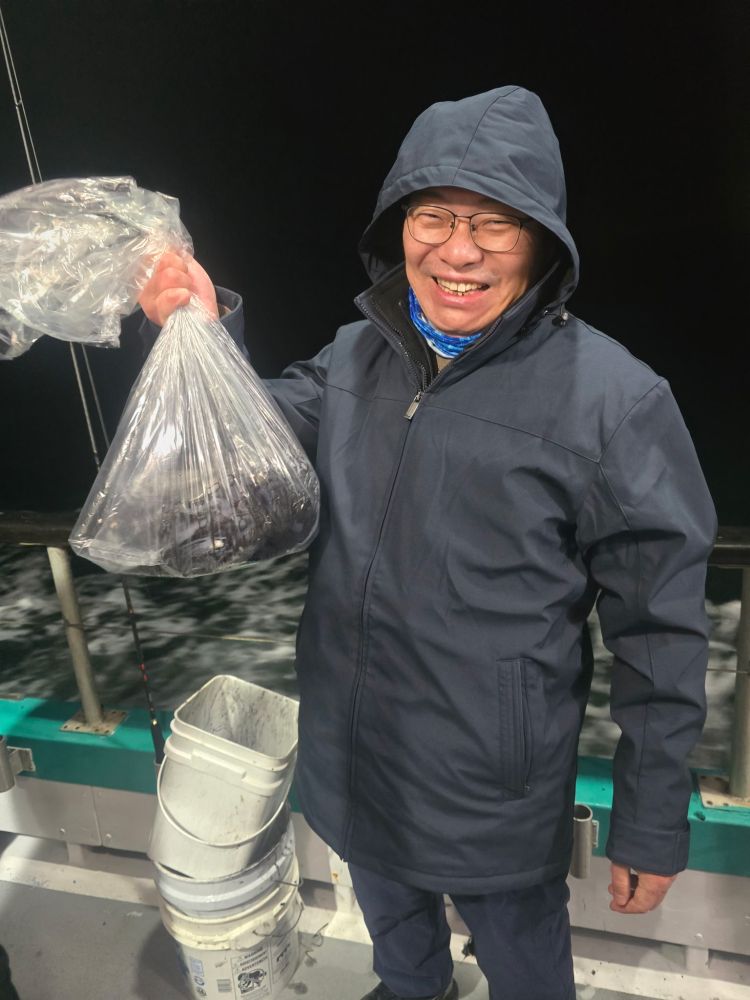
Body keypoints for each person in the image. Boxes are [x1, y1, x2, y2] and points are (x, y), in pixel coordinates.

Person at [139, 86, 717, 1000]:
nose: (458, 249)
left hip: (489, 786)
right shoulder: (353, 356)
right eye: (435, 215)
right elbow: (247, 441)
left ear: (544, 242)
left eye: (495, 223)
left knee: (525, 963)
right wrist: (203, 332)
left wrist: (650, 820)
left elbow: (663, 629)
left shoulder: (615, 401)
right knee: (395, 935)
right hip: (356, 751)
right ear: (398, 227)